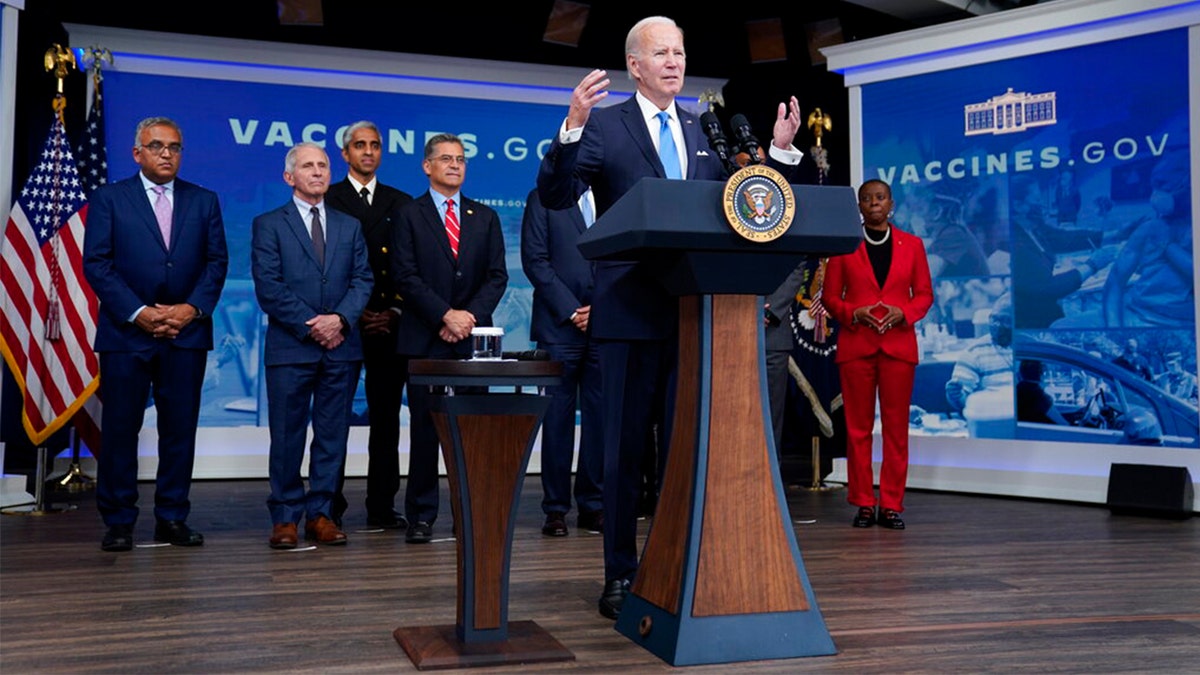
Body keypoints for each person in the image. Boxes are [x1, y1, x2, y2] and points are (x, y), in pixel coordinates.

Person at [536, 15, 805, 620]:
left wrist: (780, 153)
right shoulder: (604, 126)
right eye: (662, 53)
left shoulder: (703, 127)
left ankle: (678, 566)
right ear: (635, 65)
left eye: (680, 52)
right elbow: (555, 196)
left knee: (687, 450)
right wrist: (572, 130)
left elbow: (755, 203)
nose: (674, 62)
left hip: (697, 314)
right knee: (625, 452)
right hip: (630, 312)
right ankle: (620, 574)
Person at [83, 117, 229, 552]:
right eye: (158, 146)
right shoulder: (110, 198)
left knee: (179, 431)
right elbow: (98, 264)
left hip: (186, 333)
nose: (168, 154)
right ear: (138, 153)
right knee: (121, 431)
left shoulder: (204, 201)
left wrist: (189, 309)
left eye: (175, 147)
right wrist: (139, 312)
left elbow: (216, 263)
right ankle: (119, 521)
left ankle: (171, 517)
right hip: (126, 335)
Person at [251, 142, 373, 549]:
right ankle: (285, 516)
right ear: (290, 177)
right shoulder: (268, 224)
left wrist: (339, 320)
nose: (318, 172)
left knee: (332, 434)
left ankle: (321, 513)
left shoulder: (349, 225)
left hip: (341, 346)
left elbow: (363, 280)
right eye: (308, 166)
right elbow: (269, 287)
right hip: (291, 347)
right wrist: (313, 326)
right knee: (287, 436)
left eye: (322, 165)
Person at [391, 133, 508, 544]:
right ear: (427, 166)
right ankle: (421, 515)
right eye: (445, 159)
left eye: (460, 159)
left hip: (472, 343)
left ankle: (470, 512)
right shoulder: (408, 214)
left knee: (471, 434)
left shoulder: (485, 217)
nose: (455, 165)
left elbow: (498, 276)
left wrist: (467, 318)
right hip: (426, 338)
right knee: (425, 432)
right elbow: (404, 275)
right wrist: (444, 314)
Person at [821, 179, 932, 531]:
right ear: (859, 206)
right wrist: (854, 313)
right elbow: (830, 297)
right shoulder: (844, 248)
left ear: (891, 203)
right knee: (858, 430)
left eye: (879, 198)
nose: (873, 204)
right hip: (857, 347)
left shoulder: (912, 246)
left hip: (898, 347)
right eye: (866, 199)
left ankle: (892, 504)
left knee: (897, 430)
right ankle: (864, 503)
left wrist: (905, 312)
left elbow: (924, 295)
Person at [325, 121, 414, 530]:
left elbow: (409, 266)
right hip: (342, 325)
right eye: (360, 145)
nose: (368, 152)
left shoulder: (402, 202)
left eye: (375, 145)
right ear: (345, 154)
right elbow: (322, 267)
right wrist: (351, 311)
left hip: (388, 324)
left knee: (386, 420)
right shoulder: (328, 197)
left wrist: (393, 310)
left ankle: (381, 505)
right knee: (334, 420)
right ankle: (329, 505)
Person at [519, 187, 603, 537]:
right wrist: (572, 310)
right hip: (558, 326)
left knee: (602, 418)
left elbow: (628, 258)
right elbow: (535, 260)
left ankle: (594, 505)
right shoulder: (543, 196)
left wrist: (601, 309)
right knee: (556, 421)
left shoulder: (615, 190)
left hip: (607, 324)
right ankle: (555, 508)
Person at [1009, 176, 1113, 329]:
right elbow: (1048, 287)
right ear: (1018, 205)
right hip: (1033, 323)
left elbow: (1066, 238)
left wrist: (1113, 236)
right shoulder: (1016, 243)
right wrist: (1092, 265)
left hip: (1046, 311)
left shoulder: (1034, 230)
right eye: (1037, 199)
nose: (1043, 205)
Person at [944, 293, 1014, 414]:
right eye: (993, 319)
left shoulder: (1032, 346)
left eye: (1005, 320)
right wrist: (957, 395)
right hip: (992, 417)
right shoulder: (974, 352)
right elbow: (963, 402)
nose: (996, 325)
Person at [765, 264, 808, 454]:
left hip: (772, 334)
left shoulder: (785, 232)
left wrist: (769, 311)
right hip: (726, 323)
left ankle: (769, 480)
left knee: (770, 418)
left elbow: (796, 266)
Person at [1016, 359, 1068, 425]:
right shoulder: (1040, 397)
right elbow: (1064, 424)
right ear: (1041, 375)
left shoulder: (1017, 392)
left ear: (1020, 374)